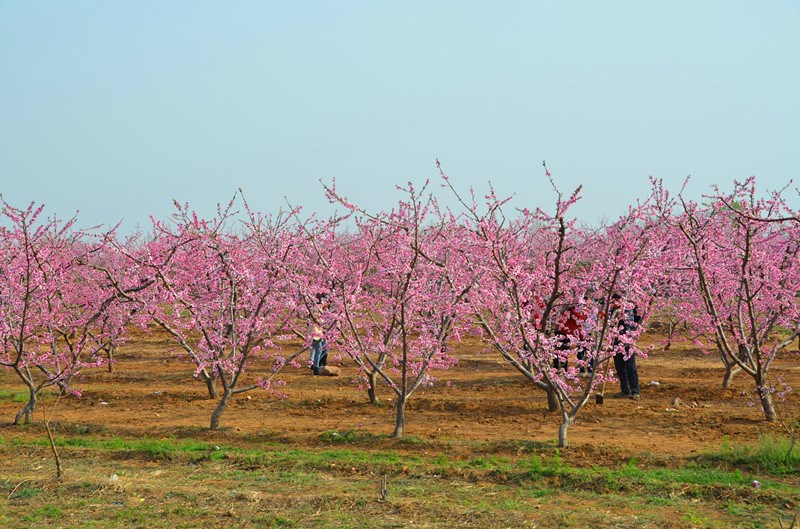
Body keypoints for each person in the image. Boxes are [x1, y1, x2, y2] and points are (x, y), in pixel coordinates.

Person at [610, 294, 641, 399]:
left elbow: (637, 321)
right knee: (619, 367)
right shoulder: (612, 311)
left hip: (628, 341)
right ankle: (625, 390)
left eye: (616, 301)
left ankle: (635, 391)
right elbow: (609, 324)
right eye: (613, 302)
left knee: (630, 367)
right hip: (616, 341)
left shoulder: (630, 309)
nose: (614, 303)